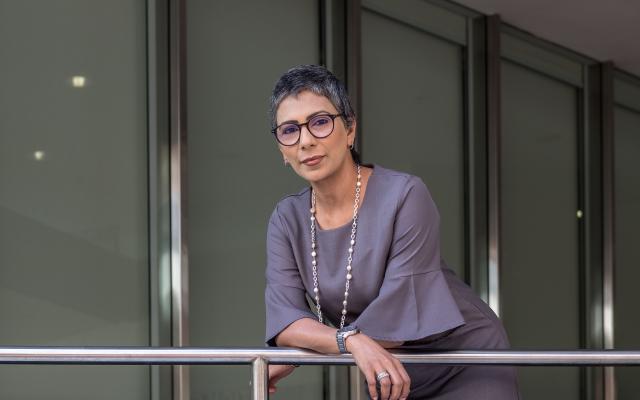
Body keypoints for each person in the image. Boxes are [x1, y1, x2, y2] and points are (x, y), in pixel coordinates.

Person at [264, 64, 519, 399]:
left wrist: (319, 343)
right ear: (282, 149)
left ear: (351, 129)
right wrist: (347, 341)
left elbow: (400, 313)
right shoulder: (287, 218)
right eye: (289, 130)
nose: (306, 141)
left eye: (321, 122)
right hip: (383, 367)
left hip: (462, 360)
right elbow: (286, 323)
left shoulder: (405, 195)